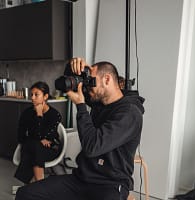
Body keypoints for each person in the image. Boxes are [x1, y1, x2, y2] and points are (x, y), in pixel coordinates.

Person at [15, 58, 145, 200]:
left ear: (107, 80)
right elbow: (66, 85)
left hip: (110, 184)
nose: (88, 87)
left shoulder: (129, 113)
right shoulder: (99, 101)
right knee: (25, 194)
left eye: (91, 82)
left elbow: (92, 147)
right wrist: (72, 68)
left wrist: (80, 106)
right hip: (81, 179)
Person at [14, 81, 62, 184]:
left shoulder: (55, 115)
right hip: (33, 147)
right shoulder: (27, 113)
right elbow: (20, 136)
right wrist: (39, 139)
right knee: (35, 147)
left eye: (36, 95)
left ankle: (34, 186)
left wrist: (39, 115)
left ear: (45, 96)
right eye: (32, 95)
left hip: (51, 148)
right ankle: (39, 186)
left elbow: (46, 136)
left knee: (35, 147)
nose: (32, 98)